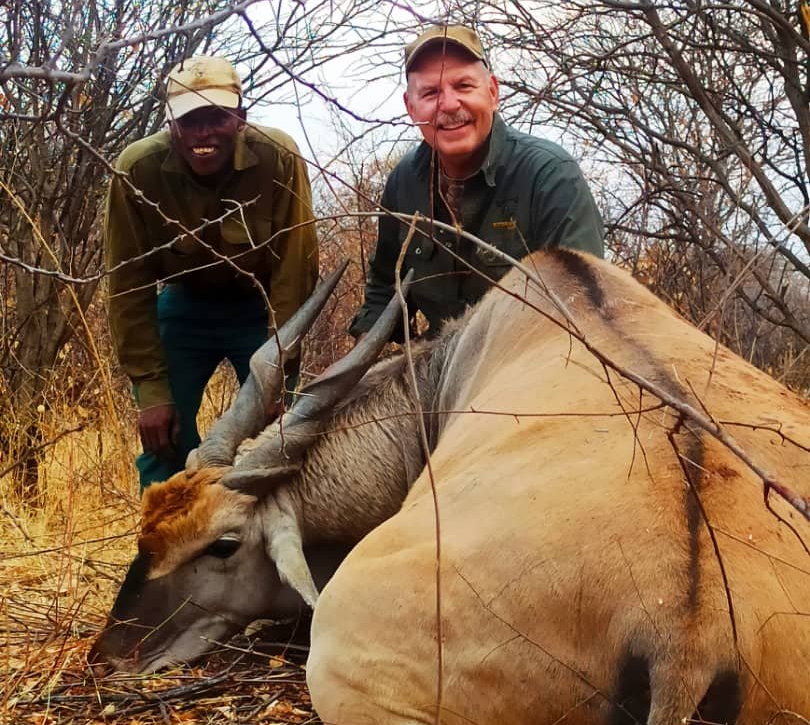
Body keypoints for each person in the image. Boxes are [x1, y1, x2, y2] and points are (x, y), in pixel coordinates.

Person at [105, 55, 319, 490]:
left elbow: (294, 270)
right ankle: (165, 552)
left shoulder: (278, 157)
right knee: (163, 441)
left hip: (260, 312)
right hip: (183, 307)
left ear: (240, 117)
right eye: (190, 120)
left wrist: (278, 369)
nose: (203, 133)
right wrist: (151, 390)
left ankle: (273, 548)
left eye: (216, 117)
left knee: (277, 439)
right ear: (171, 123)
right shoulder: (137, 169)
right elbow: (128, 283)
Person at [349, 24, 604, 340]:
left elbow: (582, 311)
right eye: (431, 93)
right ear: (411, 107)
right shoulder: (404, 182)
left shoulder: (549, 175)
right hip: (439, 370)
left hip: (530, 365)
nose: (449, 104)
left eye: (464, 86)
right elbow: (385, 285)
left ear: (493, 92)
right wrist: (360, 366)